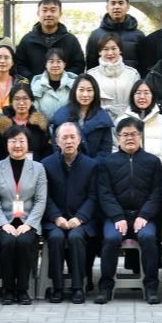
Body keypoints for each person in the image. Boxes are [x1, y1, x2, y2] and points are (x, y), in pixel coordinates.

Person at [95, 118, 162, 304]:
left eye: (134, 134)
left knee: (148, 238)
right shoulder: (107, 162)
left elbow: (157, 192)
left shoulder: (153, 162)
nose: (130, 138)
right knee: (111, 239)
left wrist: (145, 215)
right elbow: (105, 193)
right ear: (118, 137)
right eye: (125, 134)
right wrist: (118, 216)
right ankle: (105, 287)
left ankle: (151, 287)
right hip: (116, 217)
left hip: (144, 217)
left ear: (141, 136)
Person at [0, 126, 48, 305]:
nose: (17, 145)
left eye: (22, 141)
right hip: (4, 220)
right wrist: (2, 223)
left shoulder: (38, 168)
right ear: (7, 144)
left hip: (28, 220)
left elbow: (41, 200)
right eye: (13, 141)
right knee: (8, 242)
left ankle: (22, 289)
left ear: (28, 144)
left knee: (23, 242)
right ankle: (7, 290)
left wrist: (28, 224)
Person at [42, 123, 99, 304]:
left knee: (76, 237)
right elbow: (44, 196)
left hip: (82, 220)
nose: (69, 141)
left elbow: (93, 197)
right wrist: (56, 217)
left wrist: (80, 218)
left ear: (79, 139)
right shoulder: (46, 164)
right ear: (57, 141)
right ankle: (57, 287)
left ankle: (78, 287)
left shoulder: (91, 165)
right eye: (64, 138)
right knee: (56, 237)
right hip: (54, 219)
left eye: (72, 137)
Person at [16, 0, 86, 77]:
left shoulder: (70, 40)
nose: (48, 14)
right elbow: (19, 65)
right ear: (38, 13)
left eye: (53, 10)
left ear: (60, 14)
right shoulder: (27, 40)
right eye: (44, 10)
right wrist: (33, 80)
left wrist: (63, 79)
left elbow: (79, 65)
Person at [50, 74, 114, 158]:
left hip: (96, 165)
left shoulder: (103, 118)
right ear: (74, 91)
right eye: (81, 90)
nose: (85, 94)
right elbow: (56, 145)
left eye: (89, 90)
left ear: (95, 92)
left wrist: (92, 164)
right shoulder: (62, 115)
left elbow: (105, 149)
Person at [86, 0, 146, 74]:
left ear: (128, 7)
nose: (117, 7)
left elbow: (145, 65)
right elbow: (91, 66)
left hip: (133, 80)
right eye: (113, 3)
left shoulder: (139, 35)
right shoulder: (95, 35)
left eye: (121, 3)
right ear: (107, 7)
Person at [0, 84, 53, 162]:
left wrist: (39, 167)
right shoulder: (2, 125)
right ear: (11, 102)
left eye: (25, 98)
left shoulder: (40, 125)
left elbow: (47, 151)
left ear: (32, 101)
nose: (21, 103)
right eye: (17, 99)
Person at [87, 33, 142, 121]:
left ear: (120, 50)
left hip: (129, 122)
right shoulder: (91, 75)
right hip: (101, 122)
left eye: (114, 48)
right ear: (100, 52)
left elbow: (139, 101)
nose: (110, 53)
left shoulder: (132, 74)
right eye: (105, 49)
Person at [116, 80, 162, 161]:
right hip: (128, 167)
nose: (142, 97)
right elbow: (115, 146)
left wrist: (161, 163)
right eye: (138, 93)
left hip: (155, 167)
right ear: (132, 96)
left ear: (153, 96)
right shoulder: (120, 121)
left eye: (146, 93)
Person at [30, 48, 76, 120]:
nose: (55, 65)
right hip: (43, 125)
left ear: (64, 64)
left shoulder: (73, 84)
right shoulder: (37, 85)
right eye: (51, 62)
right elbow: (34, 111)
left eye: (59, 61)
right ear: (46, 64)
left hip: (68, 125)